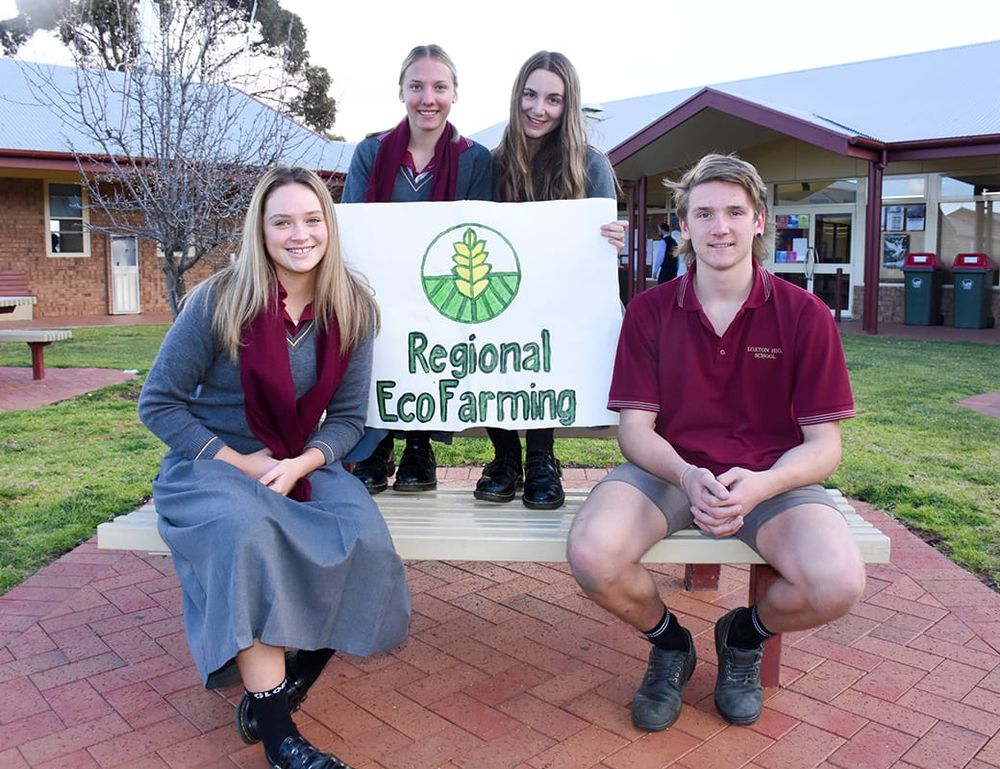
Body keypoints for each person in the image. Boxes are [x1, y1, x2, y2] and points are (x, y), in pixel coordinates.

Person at [566, 153, 864, 732]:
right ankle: (672, 644)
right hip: (668, 473)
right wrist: (687, 475)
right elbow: (635, 431)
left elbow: (824, 447)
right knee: (593, 556)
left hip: (769, 479)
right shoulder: (650, 312)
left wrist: (764, 484)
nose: (719, 226)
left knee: (837, 583)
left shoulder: (806, 316)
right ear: (683, 226)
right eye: (703, 213)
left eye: (734, 211)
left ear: (758, 221)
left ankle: (742, 637)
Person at [139, 167, 410, 769]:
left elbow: (347, 421)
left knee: (363, 539)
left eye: (312, 220)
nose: (299, 234)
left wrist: (300, 464)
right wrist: (242, 461)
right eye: (282, 221)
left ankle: (281, 685)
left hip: (298, 456)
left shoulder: (352, 306)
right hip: (213, 461)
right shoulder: (219, 298)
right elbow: (157, 402)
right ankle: (280, 736)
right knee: (248, 535)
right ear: (260, 229)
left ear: (329, 227)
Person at [474, 50, 625, 510]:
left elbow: (598, 246)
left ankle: (542, 457)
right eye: (531, 95)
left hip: (561, 305)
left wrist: (611, 237)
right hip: (499, 296)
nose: (539, 109)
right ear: (517, 96)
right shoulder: (491, 164)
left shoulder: (589, 165)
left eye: (553, 100)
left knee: (544, 354)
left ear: (568, 106)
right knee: (492, 348)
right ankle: (505, 457)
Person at [342, 44, 492, 495]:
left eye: (439, 87)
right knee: (381, 353)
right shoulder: (370, 153)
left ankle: (420, 447)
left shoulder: (475, 159)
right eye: (417, 86)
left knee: (432, 354)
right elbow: (352, 226)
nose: (428, 97)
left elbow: (481, 227)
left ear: (455, 93)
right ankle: (377, 445)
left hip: (443, 287)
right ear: (401, 91)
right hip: (379, 289)